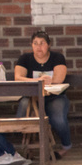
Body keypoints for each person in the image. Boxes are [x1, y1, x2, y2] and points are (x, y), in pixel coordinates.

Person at [13, 29, 72, 157]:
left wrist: (38, 82)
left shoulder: (57, 57)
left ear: (48, 45)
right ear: (31, 45)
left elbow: (58, 79)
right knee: (23, 114)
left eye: (42, 43)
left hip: (54, 97)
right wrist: (38, 80)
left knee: (58, 119)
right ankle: (24, 148)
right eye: (35, 43)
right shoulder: (25, 59)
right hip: (31, 97)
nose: (38, 47)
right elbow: (18, 78)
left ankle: (66, 146)